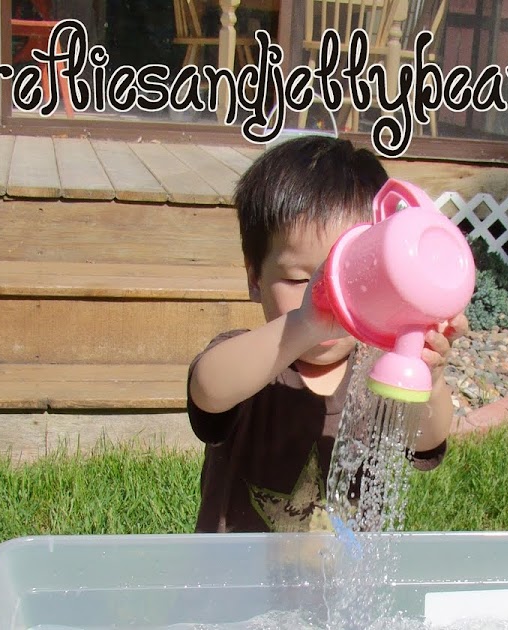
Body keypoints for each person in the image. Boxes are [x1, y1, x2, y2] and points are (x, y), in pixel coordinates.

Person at [186, 135, 468, 533]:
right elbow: (208, 389)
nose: (329, 299)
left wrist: (431, 375)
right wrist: (302, 324)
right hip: (238, 587)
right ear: (254, 278)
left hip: (338, 591)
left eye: (354, 277)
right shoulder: (251, 361)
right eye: (301, 279)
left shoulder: (379, 370)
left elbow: (425, 441)